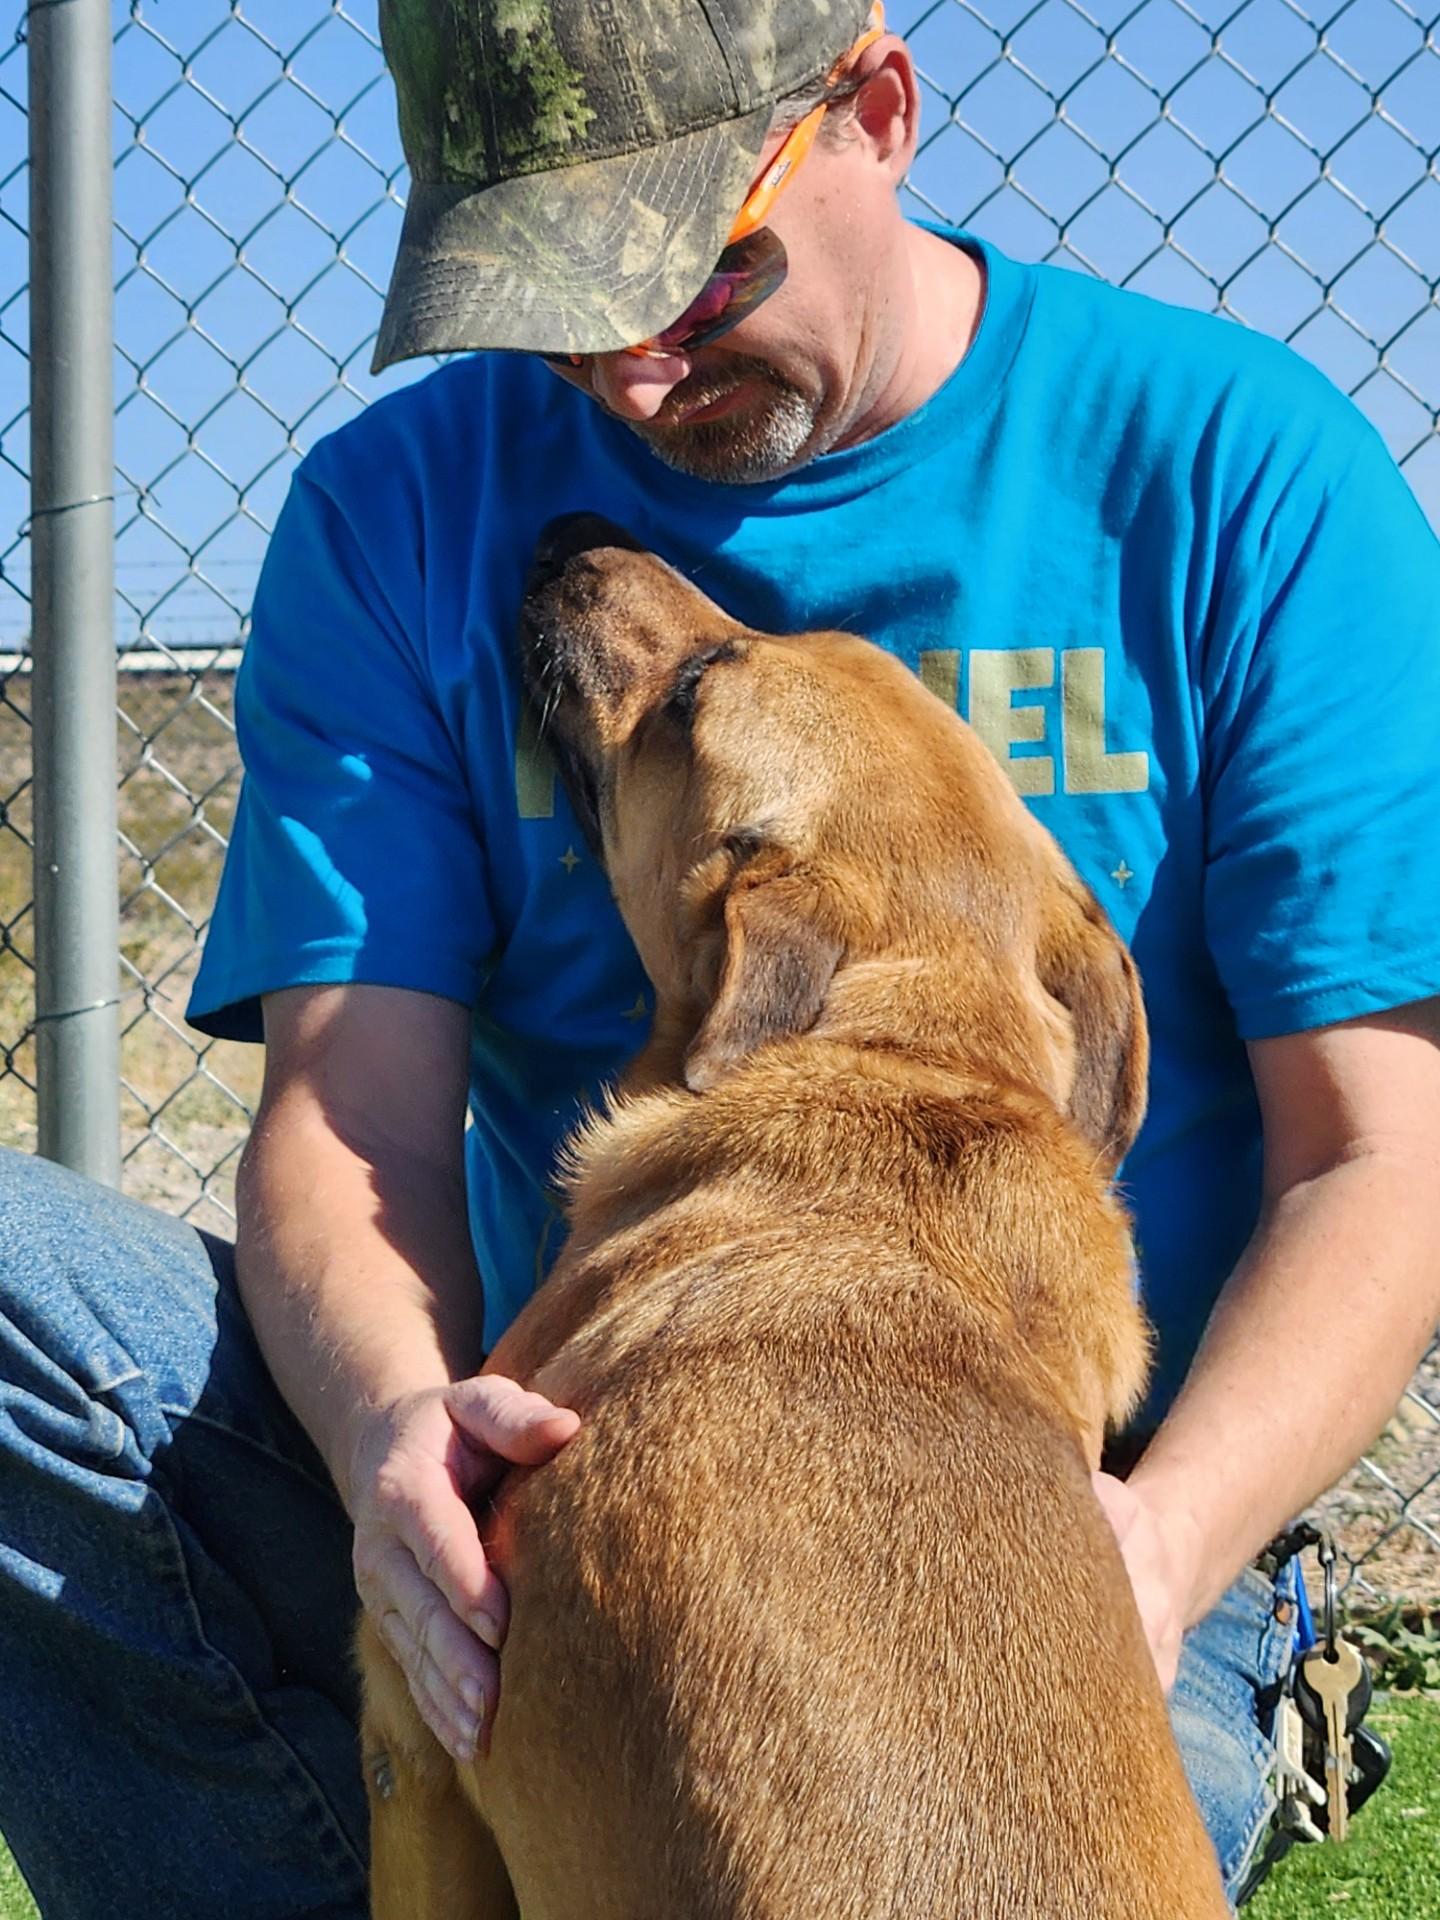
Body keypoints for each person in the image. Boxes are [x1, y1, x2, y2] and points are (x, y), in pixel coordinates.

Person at [2, 1, 1438, 1914]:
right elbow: (351, 1132)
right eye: (556, 287)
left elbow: (1380, 1163)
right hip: (526, 1420)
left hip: (1061, 1504)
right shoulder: (397, 511)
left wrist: (1158, 1545)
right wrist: (393, 1452)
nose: (628, 357)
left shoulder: (1239, 477)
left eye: (701, 261)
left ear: (880, 110)